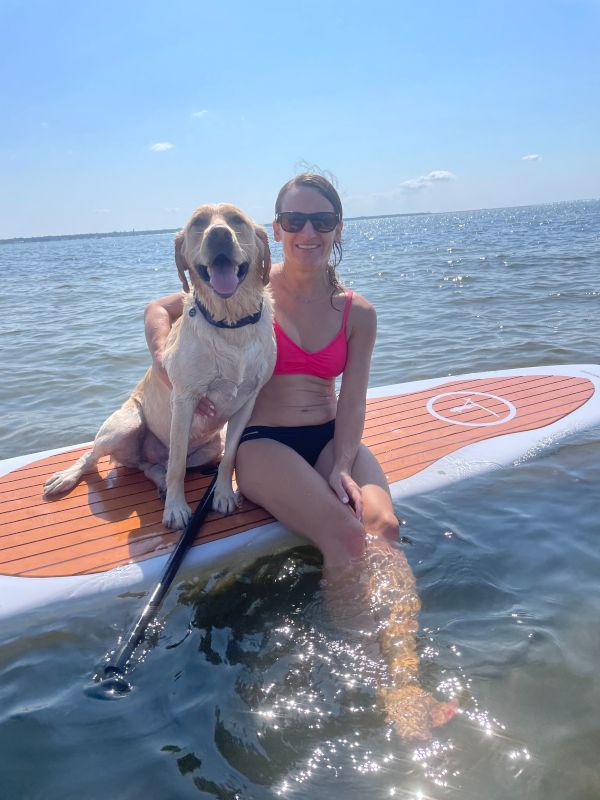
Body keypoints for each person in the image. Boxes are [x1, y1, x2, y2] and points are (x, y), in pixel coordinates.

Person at [144, 173, 456, 738]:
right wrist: (162, 355)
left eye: (321, 221)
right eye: (294, 221)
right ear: (275, 230)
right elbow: (161, 308)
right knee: (344, 536)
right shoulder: (244, 287)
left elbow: (354, 399)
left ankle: (405, 673)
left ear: (338, 228)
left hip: (333, 435)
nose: (307, 232)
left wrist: (340, 461)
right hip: (264, 444)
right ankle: (375, 684)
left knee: (384, 527)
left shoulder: (358, 311)